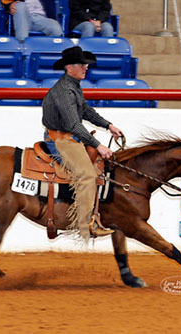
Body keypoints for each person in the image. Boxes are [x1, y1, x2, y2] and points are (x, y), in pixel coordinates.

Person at [42, 46, 123, 240]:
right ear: (69, 67)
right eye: (82, 64)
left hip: (69, 137)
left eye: (86, 65)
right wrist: (98, 145)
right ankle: (85, 224)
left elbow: (85, 111)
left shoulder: (72, 86)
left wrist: (108, 125)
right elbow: (73, 124)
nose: (86, 68)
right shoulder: (64, 91)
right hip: (61, 140)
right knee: (87, 175)